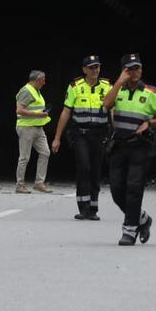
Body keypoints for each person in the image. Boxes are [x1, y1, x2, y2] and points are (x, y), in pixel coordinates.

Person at [103, 53, 156, 246]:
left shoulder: (151, 92)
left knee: (134, 187)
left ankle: (129, 230)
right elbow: (106, 105)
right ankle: (142, 219)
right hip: (118, 146)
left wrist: (149, 123)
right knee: (116, 190)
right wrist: (118, 82)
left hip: (140, 147)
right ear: (124, 71)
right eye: (130, 69)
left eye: (137, 68)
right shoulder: (118, 90)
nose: (135, 72)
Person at [51, 55, 111, 220]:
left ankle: (93, 207)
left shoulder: (107, 87)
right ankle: (83, 207)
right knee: (84, 167)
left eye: (97, 67)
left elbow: (113, 110)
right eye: (91, 67)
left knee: (96, 170)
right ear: (84, 70)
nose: (95, 70)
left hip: (99, 134)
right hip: (80, 134)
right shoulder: (75, 86)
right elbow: (66, 112)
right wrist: (57, 138)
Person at [13, 70, 52, 194]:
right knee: (24, 157)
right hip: (26, 127)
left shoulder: (36, 91)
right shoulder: (26, 90)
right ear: (36, 80)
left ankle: (39, 183)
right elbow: (19, 110)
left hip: (38, 127)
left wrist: (42, 114)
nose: (44, 82)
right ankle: (20, 185)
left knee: (45, 152)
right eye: (43, 80)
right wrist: (38, 114)